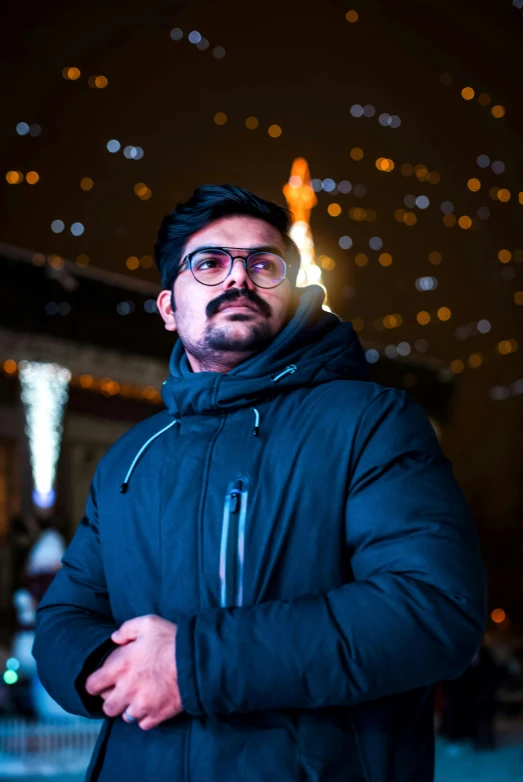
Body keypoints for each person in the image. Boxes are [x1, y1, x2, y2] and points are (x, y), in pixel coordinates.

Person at [33, 185, 486, 782]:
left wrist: (191, 666)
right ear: (169, 307)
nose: (238, 280)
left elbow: (432, 609)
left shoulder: (368, 420)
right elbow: (64, 617)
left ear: (292, 293)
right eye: (211, 263)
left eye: (263, 264)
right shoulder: (130, 458)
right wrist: (109, 670)